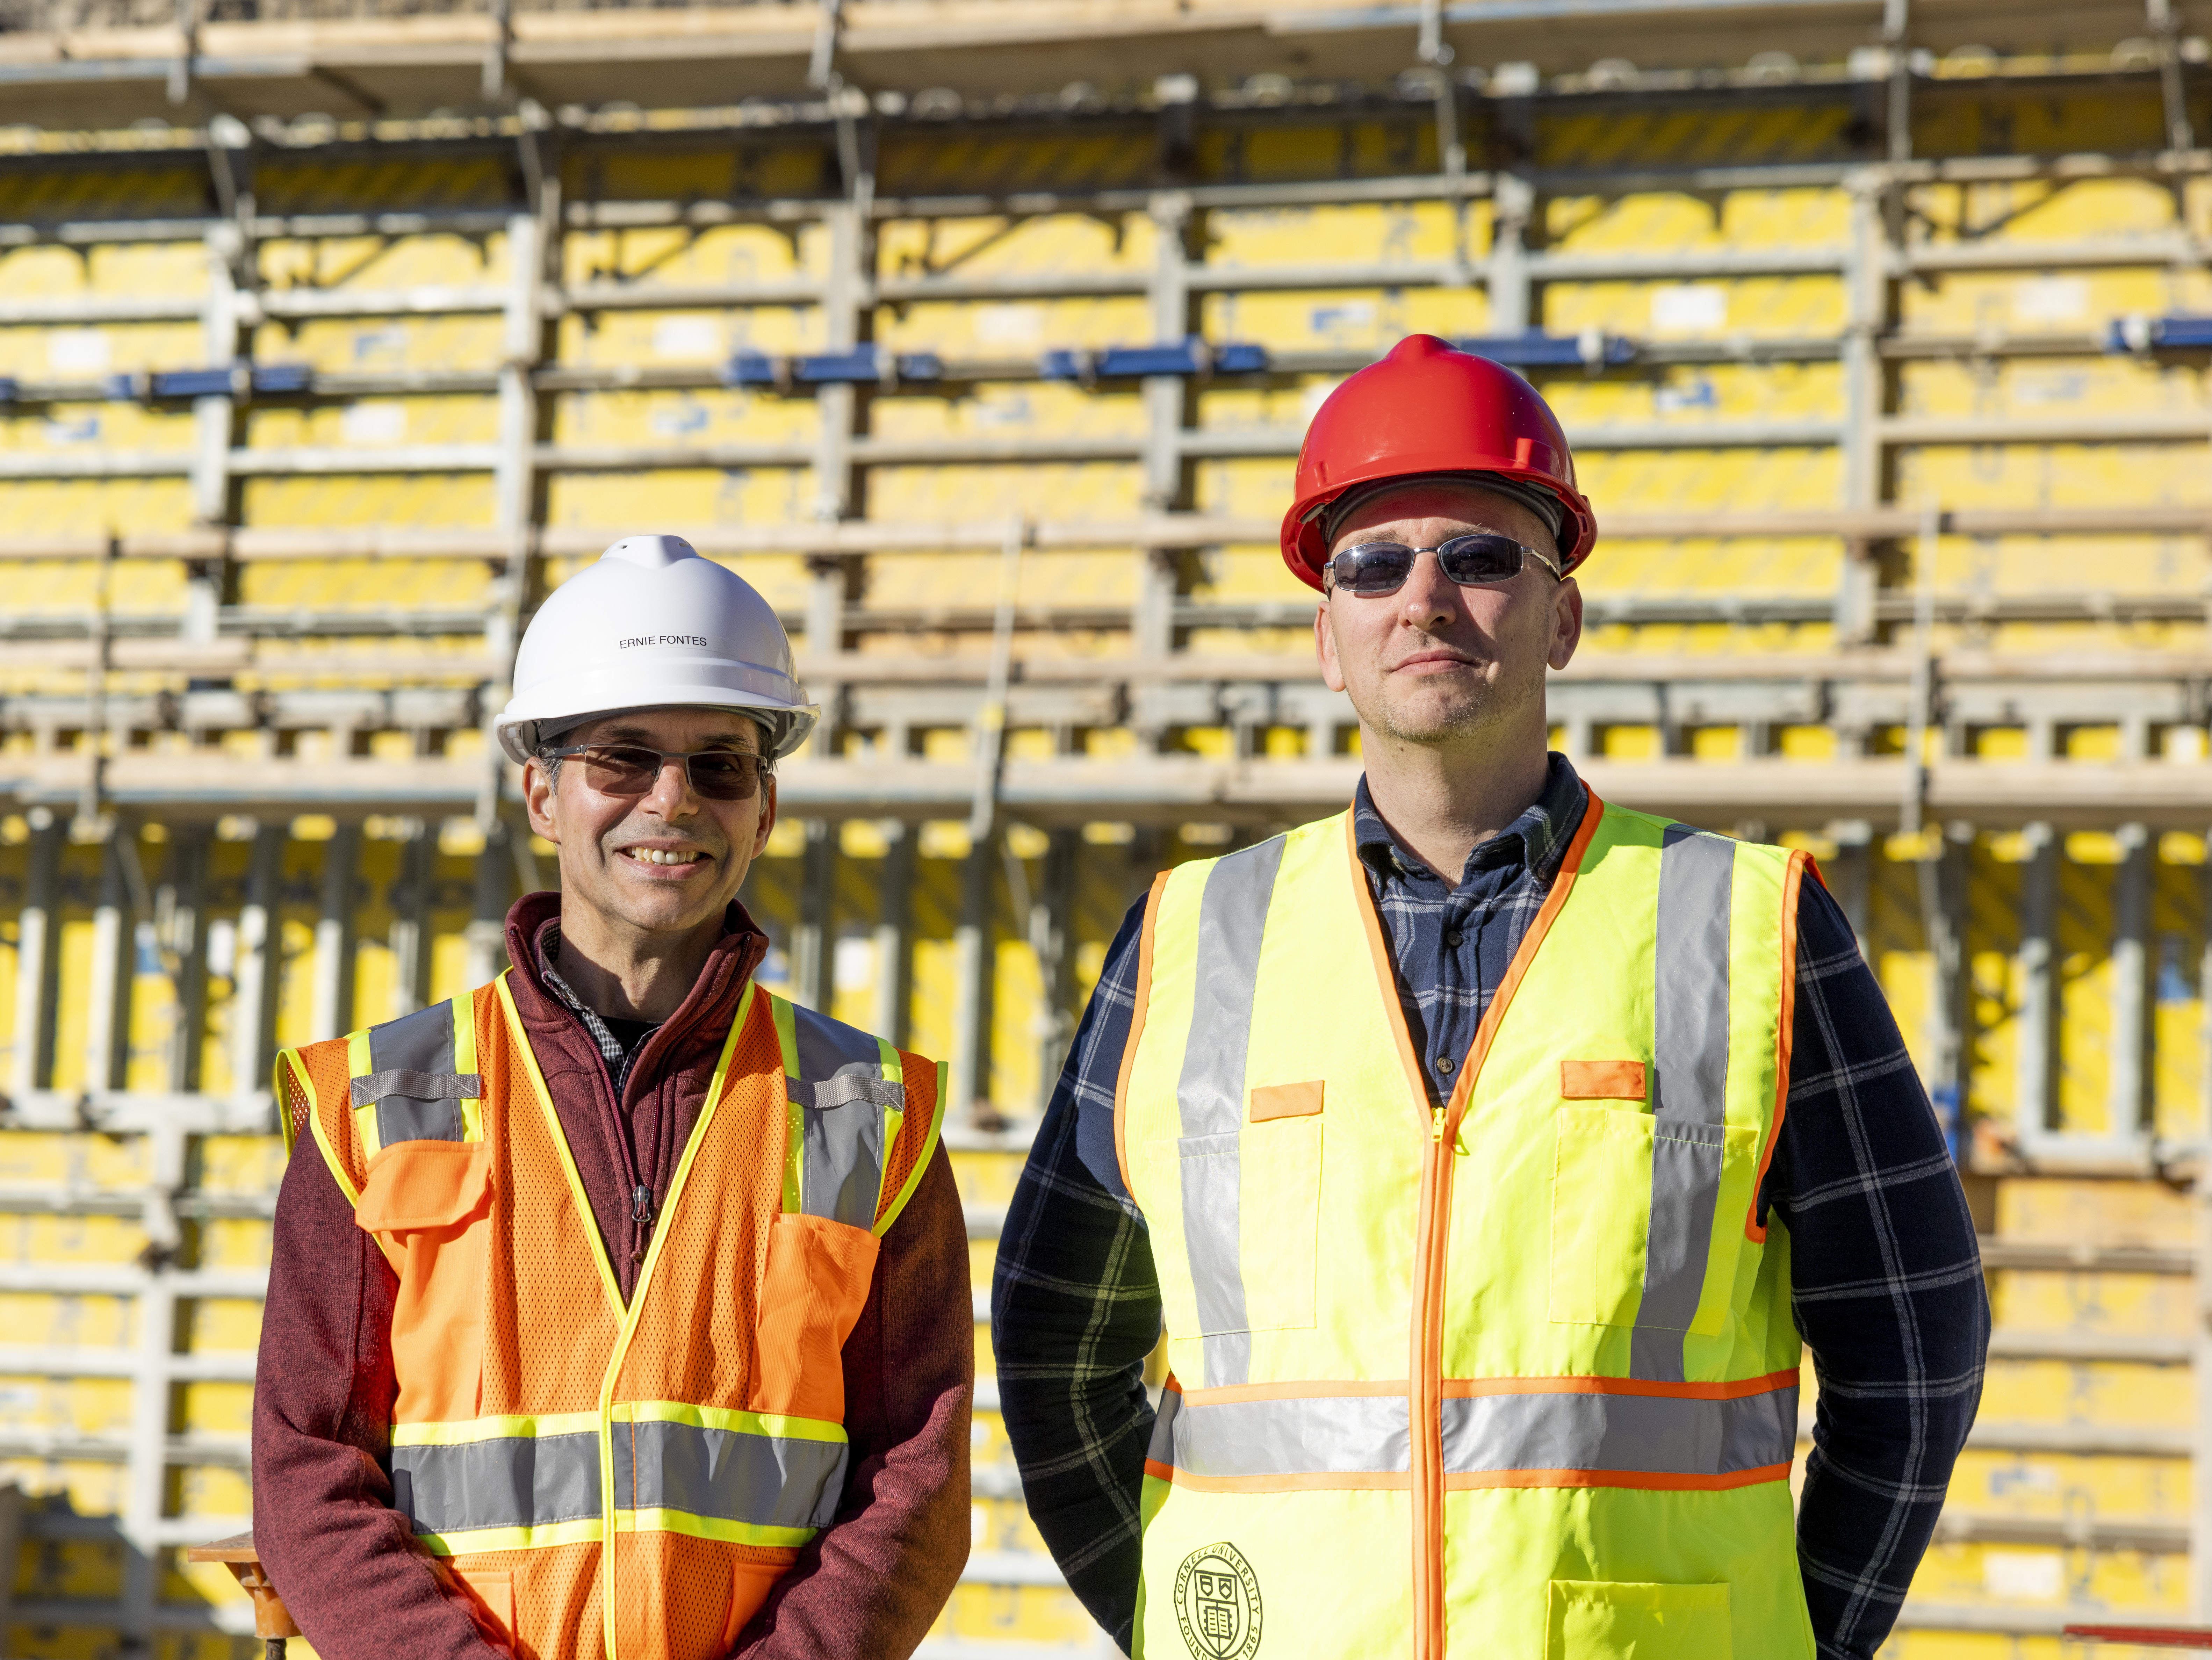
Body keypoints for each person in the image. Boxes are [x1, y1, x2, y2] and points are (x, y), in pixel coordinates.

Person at [990, 335, 1988, 1660]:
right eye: (1372, 563)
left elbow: (1912, 1357)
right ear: (1327, 637)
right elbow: (1055, 1350)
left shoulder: (1750, 926)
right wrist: (1182, 1620)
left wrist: (1812, 1642)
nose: (1425, 597)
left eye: (1481, 556)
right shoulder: (1188, 940)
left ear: (1561, 616)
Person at [252, 534, 971, 1660]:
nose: (672, 801)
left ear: (765, 807)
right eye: (622, 759)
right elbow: (309, 1468)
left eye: (718, 765)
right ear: (542, 794)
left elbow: (913, 1480)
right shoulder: (374, 1107)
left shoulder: (869, 1113)